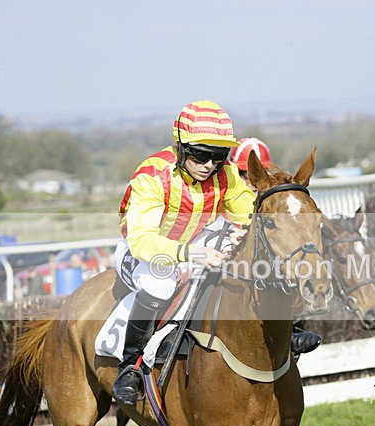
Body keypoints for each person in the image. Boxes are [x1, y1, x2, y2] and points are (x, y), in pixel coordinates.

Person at [112, 101, 257, 405]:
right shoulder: (152, 175)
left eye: (218, 156)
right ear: (180, 147)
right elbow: (142, 241)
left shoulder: (226, 175)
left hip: (191, 244)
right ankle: (130, 366)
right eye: (201, 155)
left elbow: (248, 214)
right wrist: (194, 254)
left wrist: (238, 237)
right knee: (160, 282)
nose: (209, 165)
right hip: (139, 251)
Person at [229, 137, 322, 355]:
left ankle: (292, 328)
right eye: (246, 174)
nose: (253, 181)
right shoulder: (225, 192)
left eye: (262, 173)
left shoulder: (271, 198)